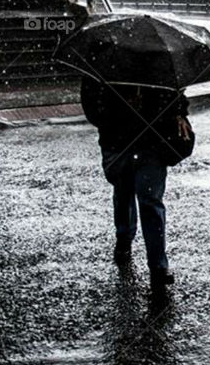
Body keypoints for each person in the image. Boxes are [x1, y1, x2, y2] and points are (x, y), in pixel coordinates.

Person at [81, 78, 191, 290]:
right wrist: (121, 108)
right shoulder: (104, 69)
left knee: (150, 201)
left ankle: (158, 267)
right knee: (123, 191)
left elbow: (176, 97)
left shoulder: (158, 67)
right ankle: (124, 237)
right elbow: (93, 107)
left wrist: (177, 112)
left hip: (152, 144)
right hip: (118, 143)